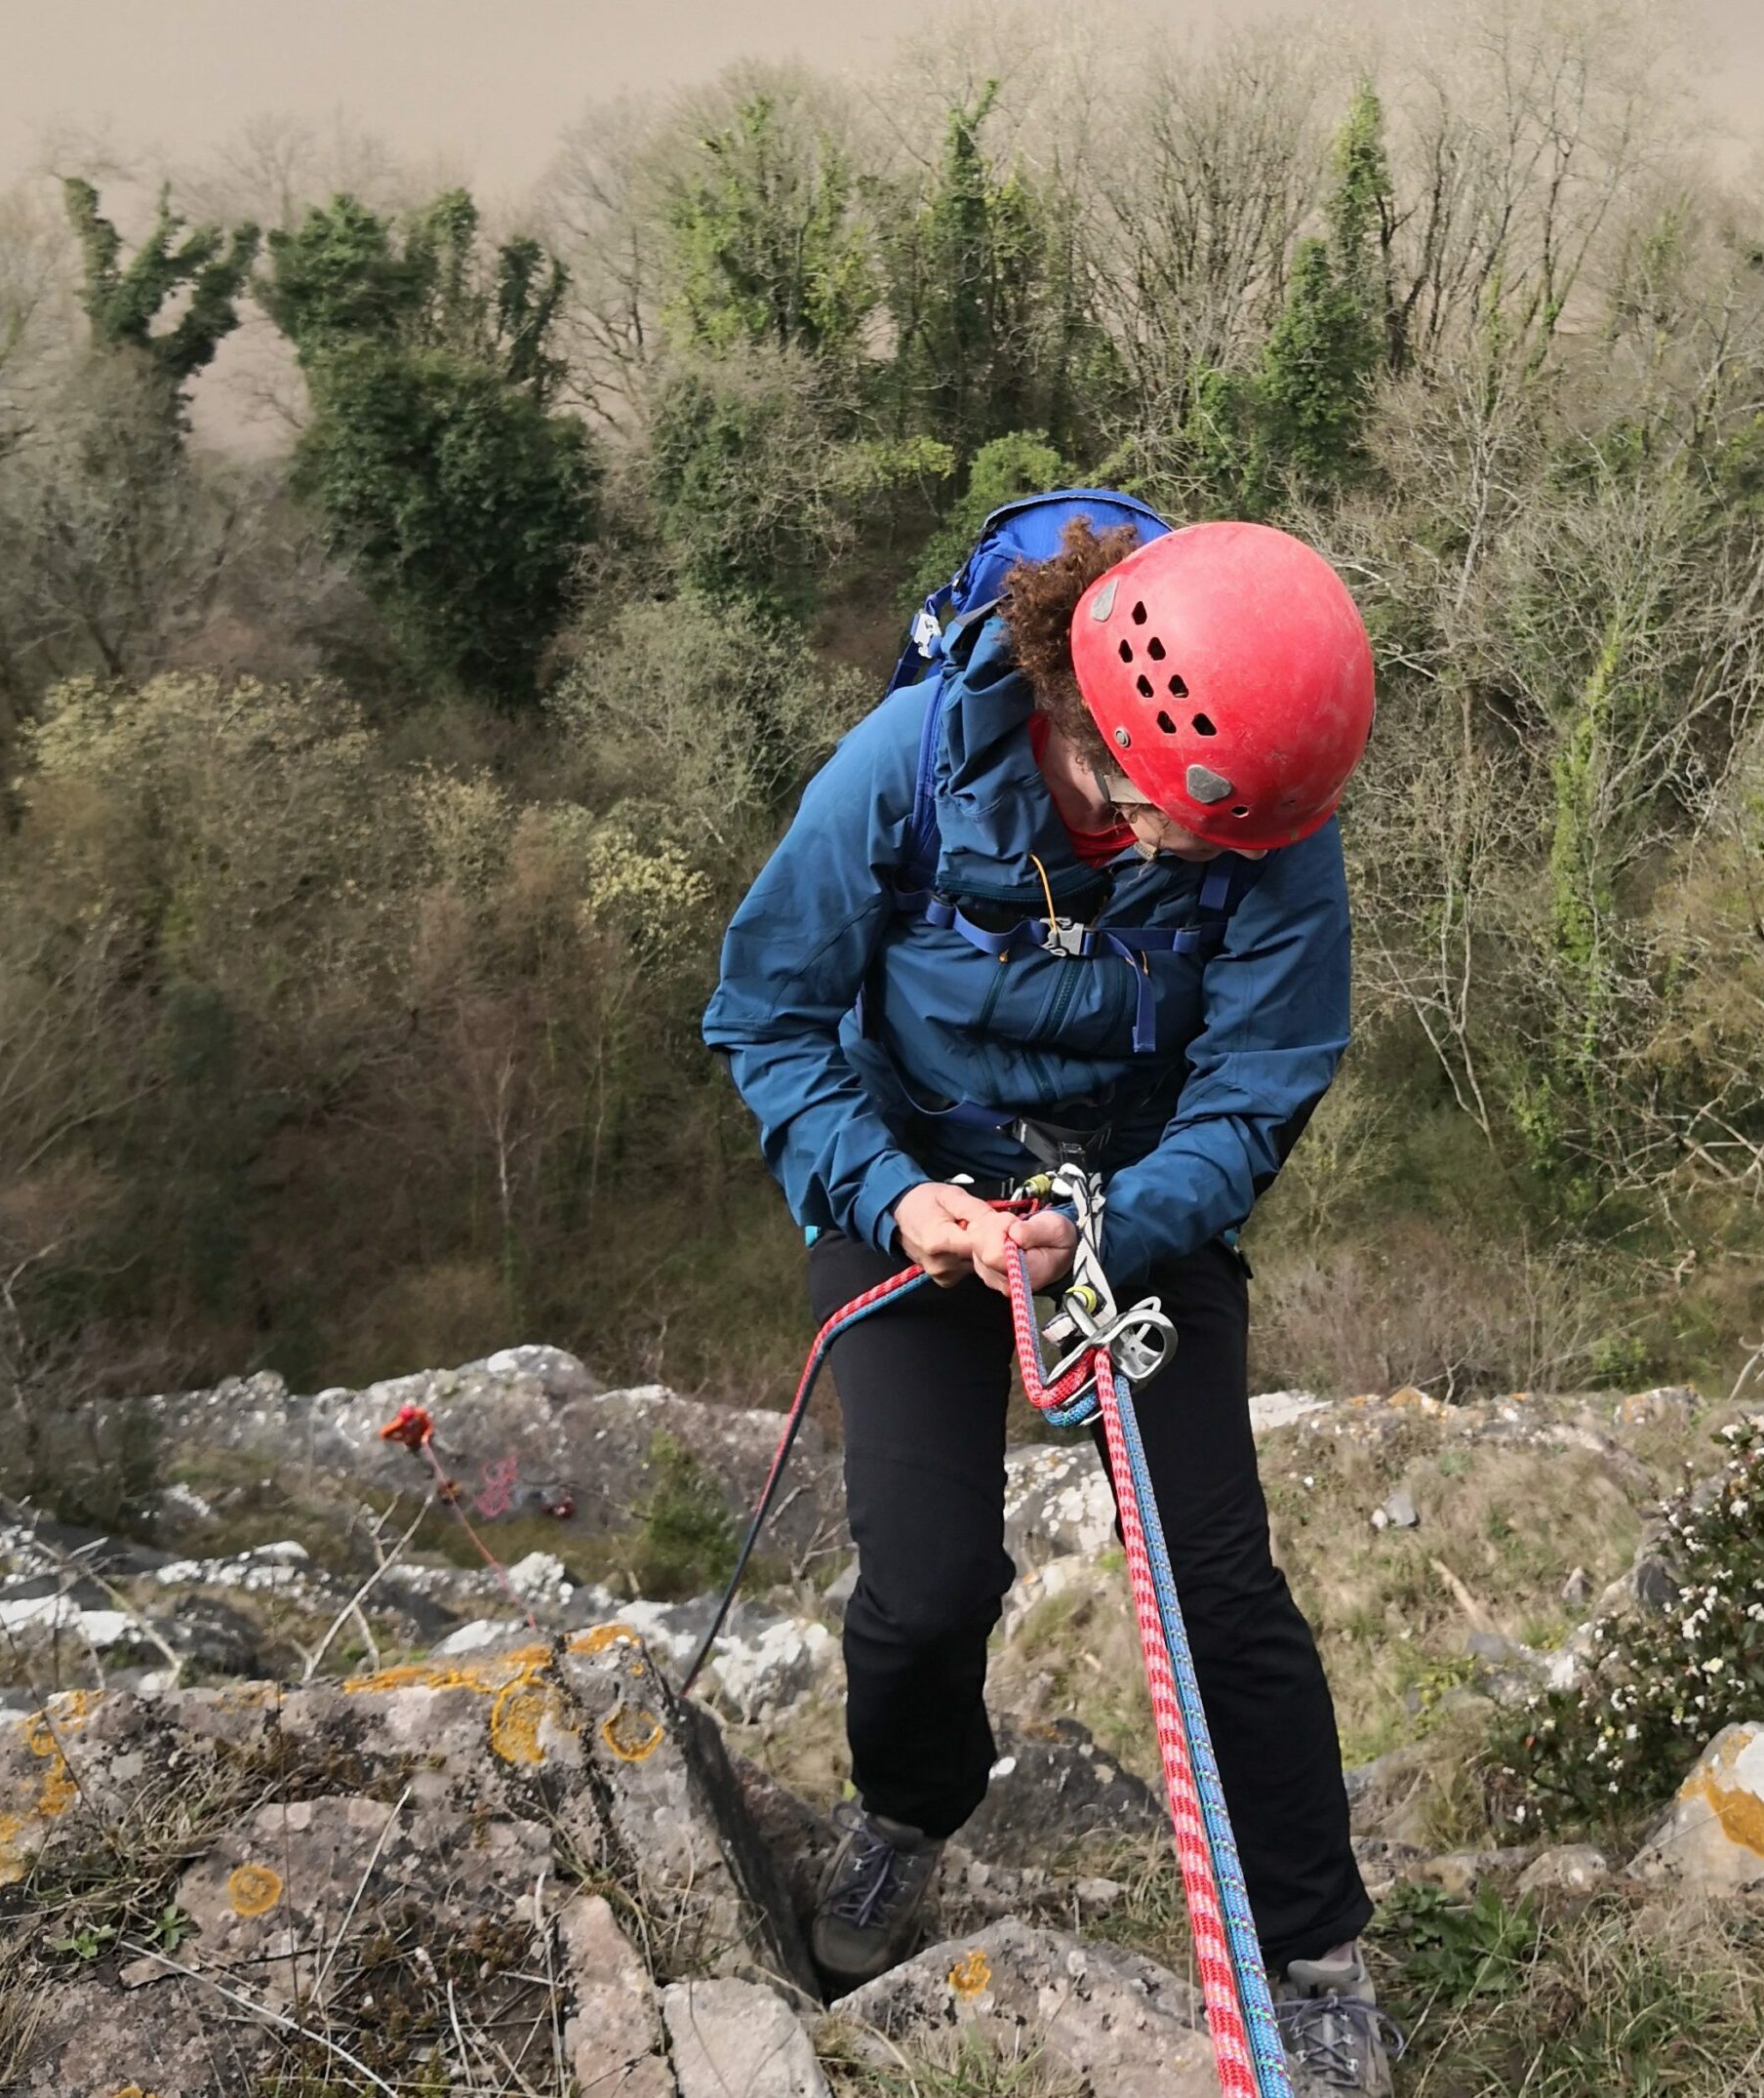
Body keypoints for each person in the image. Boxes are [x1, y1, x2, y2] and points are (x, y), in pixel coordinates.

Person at [702, 508, 1396, 2090]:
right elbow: (766, 1013)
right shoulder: (911, 763)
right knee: (924, 1582)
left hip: (1137, 1215)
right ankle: (910, 1810)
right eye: (1182, 830)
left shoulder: (1267, 810)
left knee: (1218, 1585)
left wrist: (1114, 1227)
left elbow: (1261, 1082)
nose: (1212, 864)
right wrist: (896, 1198)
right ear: (1092, 728)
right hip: (914, 1188)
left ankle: (1312, 1946)